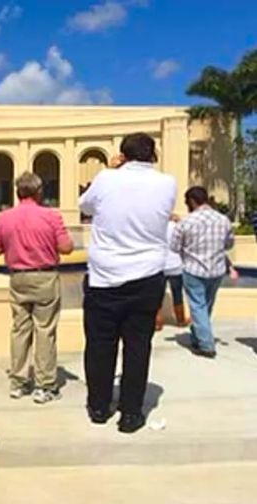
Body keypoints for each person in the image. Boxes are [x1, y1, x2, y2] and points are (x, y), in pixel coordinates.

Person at [79, 132, 176, 433]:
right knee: (137, 347)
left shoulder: (107, 178)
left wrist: (113, 169)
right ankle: (131, 414)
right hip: (147, 277)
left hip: (105, 278)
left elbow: (85, 206)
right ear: (153, 155)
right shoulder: (167, 183)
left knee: (99, 345)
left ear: (123, 155)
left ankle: (98, 405)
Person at [0, 172, 74, 403]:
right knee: (45, 331)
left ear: (17, 193)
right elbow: (66, 247)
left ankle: (18, 381)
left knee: (20, 329)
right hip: (44, 276)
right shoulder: (51, 216)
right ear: (39, 192)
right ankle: (44, 385)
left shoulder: (5, 218)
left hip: (18, 277)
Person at [170, 186, 234, 359]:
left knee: (198, 306)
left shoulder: (186, 222)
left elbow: (174, 247)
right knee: (206, 306)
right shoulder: (223, 220)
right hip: (217, 270)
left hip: (194, 269)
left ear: (191, 201)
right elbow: (229, 244)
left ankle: (206, 345)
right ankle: (198, 336)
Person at [155, 214, 190, 331]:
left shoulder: (158, 227)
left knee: (157, 295)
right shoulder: (177, 226)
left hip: (160, 265)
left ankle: (157, 322)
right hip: (176, 264)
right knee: (177, 294)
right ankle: (180, 320)